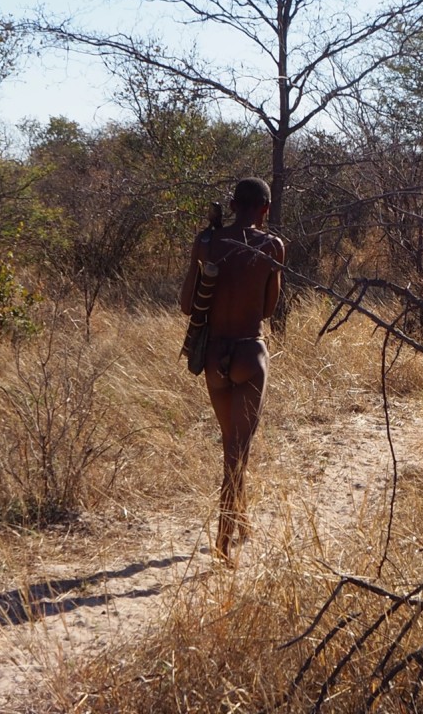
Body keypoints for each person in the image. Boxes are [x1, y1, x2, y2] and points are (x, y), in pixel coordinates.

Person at [179, 177, 285, 565]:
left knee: (231, 445)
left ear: (232, 203)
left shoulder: (207, 242)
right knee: (237, 453)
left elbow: (187, 304)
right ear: (265, 210)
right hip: (249, 355)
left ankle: (240, 520)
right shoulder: (272, 246)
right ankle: (223, 542)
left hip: (214, 359)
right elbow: (269, 310)